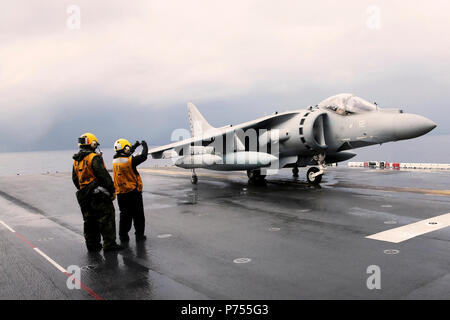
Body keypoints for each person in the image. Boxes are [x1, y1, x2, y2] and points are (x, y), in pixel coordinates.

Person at [72, 133, 123, 252]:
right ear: (92, 143)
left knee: (89, 221)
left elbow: (75, 179)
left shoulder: (76, 160)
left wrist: (84, 189)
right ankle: (109, 244)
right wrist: (112, 190)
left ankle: (92, 245)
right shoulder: (94, 158)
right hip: (98, 195)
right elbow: (103, 176)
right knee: (107, 217)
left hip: (84, 195)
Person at [112, 139, 148, 243]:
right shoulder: (129, 161)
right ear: (125, 149)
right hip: (133, 192)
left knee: (124, 216)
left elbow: (127, 153)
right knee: (138, 215)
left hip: (121, 193)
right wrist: (144, 146)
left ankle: (123, 237)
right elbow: (143, 156)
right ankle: (139, 236)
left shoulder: (115, 159)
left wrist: (135, 146)